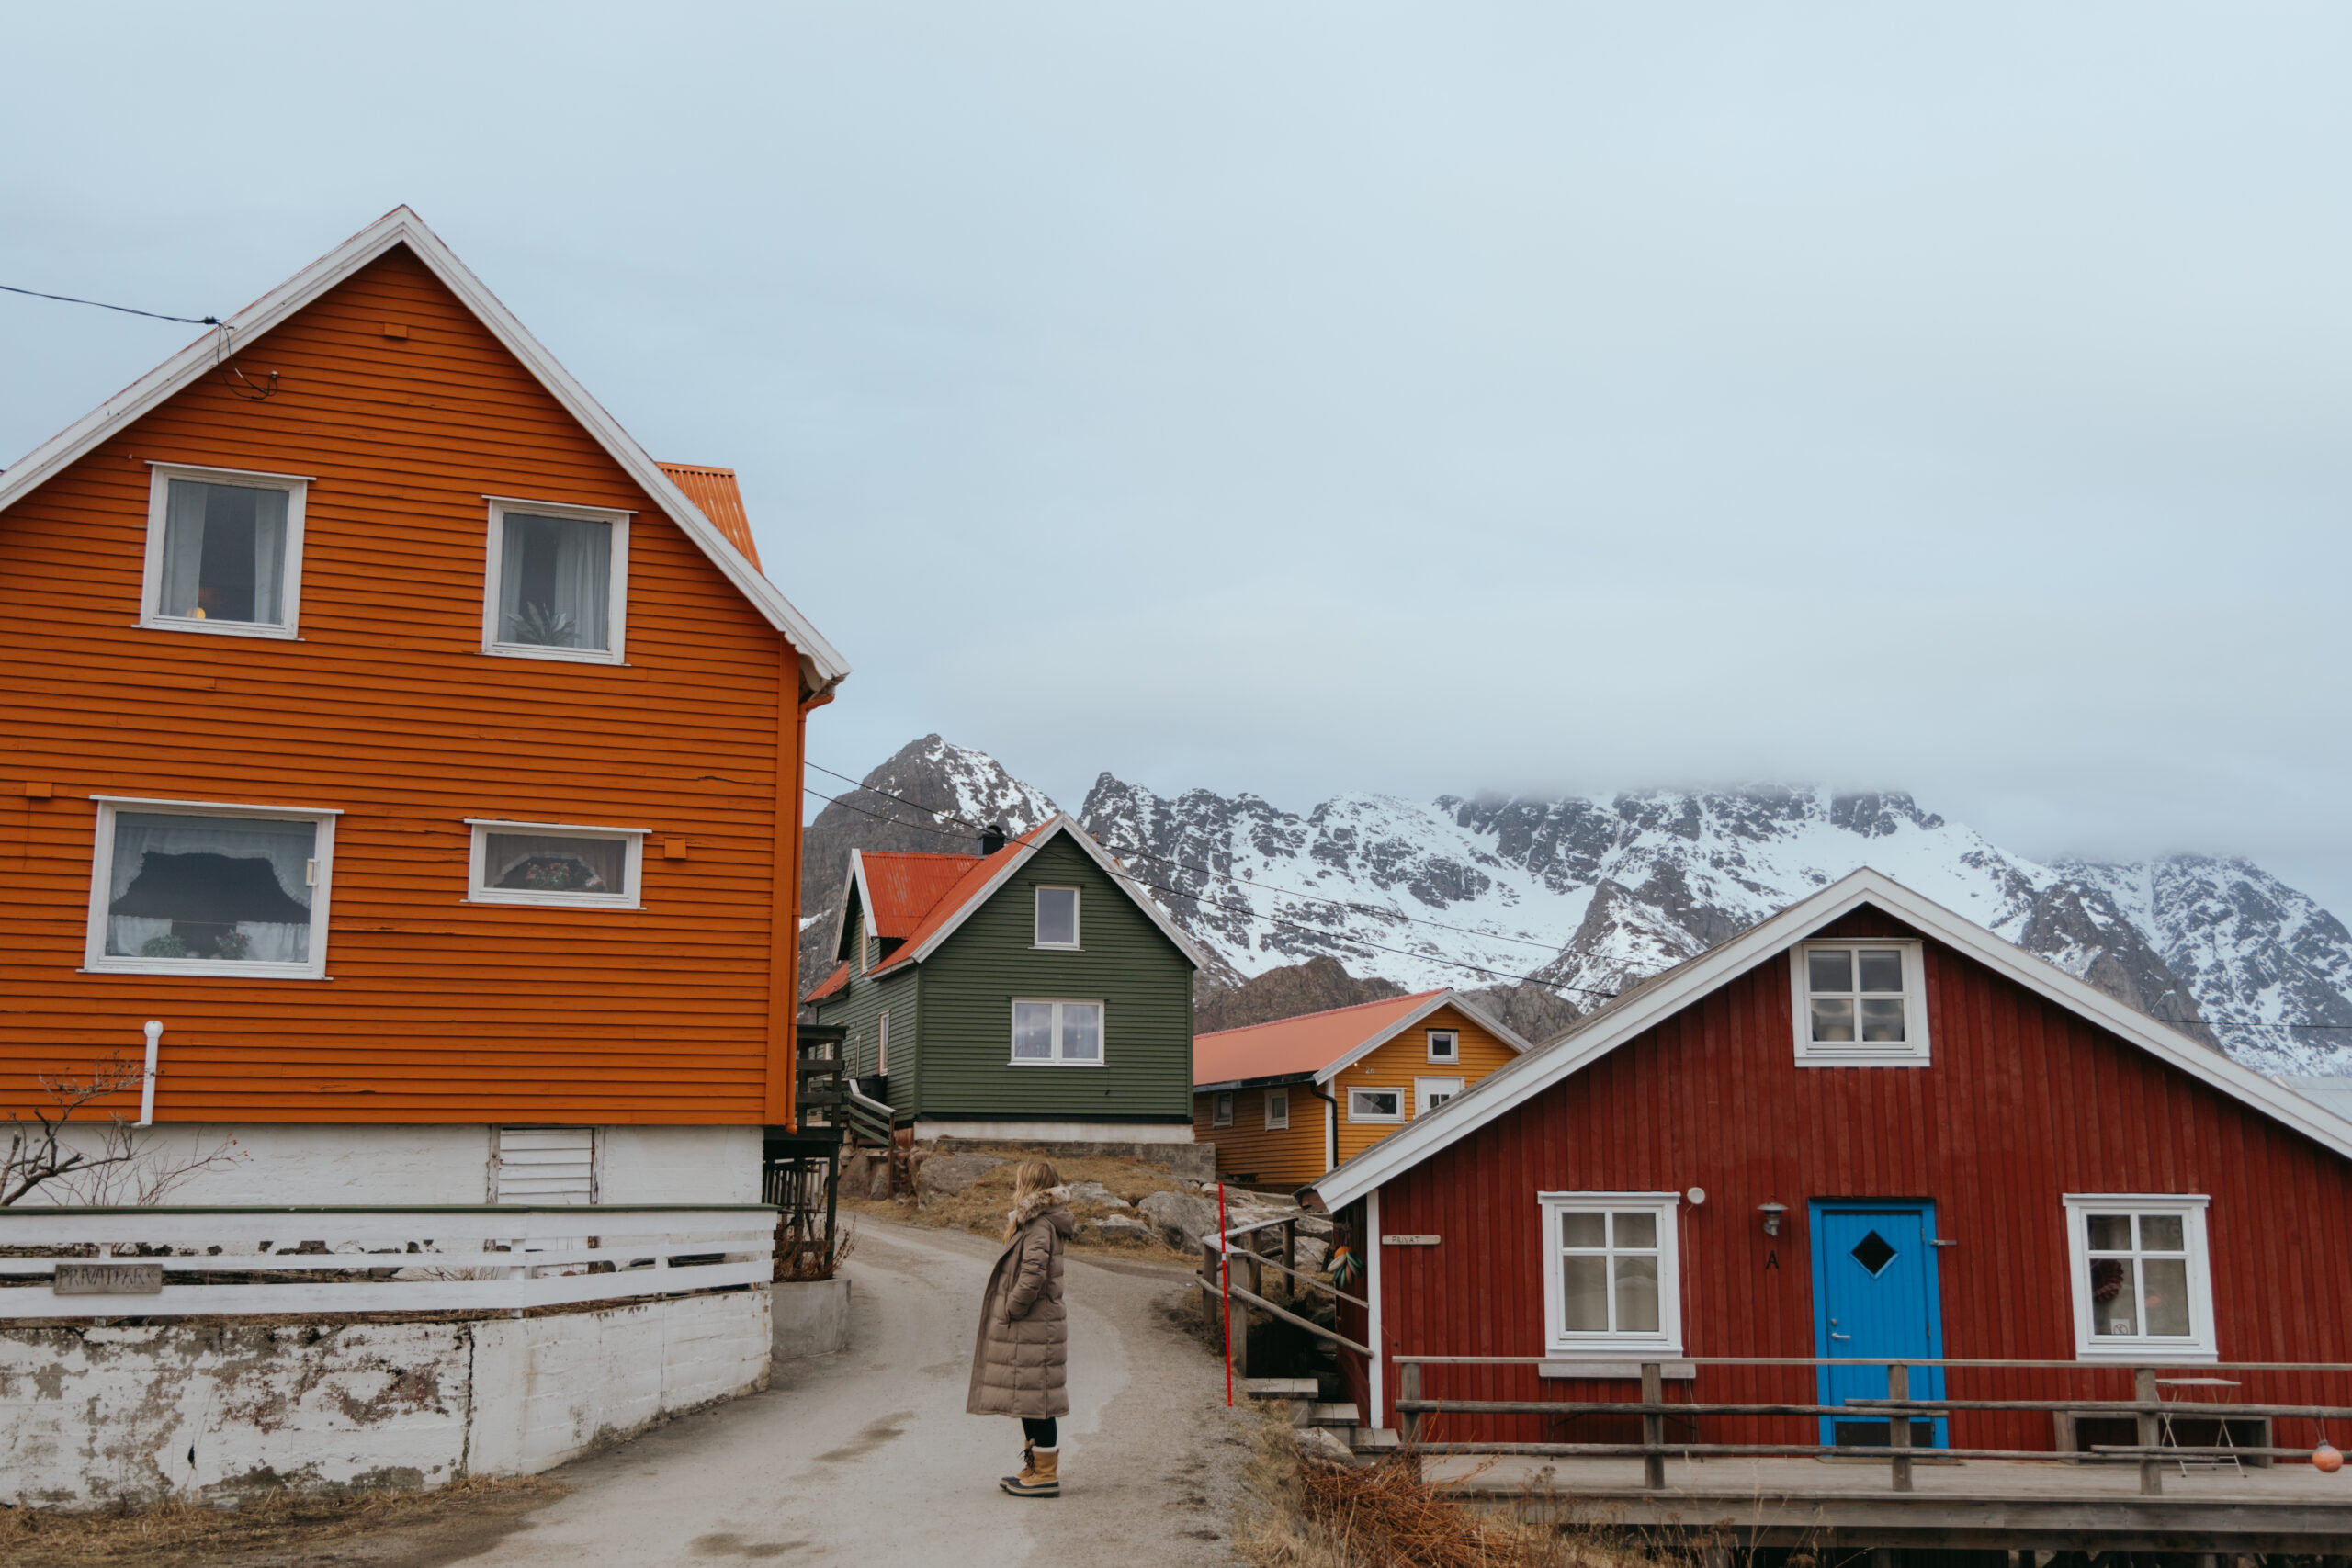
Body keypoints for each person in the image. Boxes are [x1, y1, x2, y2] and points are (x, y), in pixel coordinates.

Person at [967, 1157, 1074, 1497]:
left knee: (1038, 1401)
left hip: (1034, 1326)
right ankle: (1035, 1467)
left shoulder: (1039, 1225)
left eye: (1018, 1181)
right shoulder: (1033, 1222)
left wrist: (1012, 1307)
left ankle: (1045, 1475)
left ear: (1028, 1185)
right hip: (1032, 1327)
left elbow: (1033, 1274)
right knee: (1028, 1399)